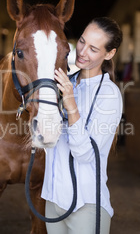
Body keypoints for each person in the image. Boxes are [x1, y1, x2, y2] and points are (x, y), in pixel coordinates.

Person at [41, 17, 123, 234]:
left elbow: (85, 154)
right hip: (52, 201)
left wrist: (71, 106)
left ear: (109, 54)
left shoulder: (109, 94)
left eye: (93, 48)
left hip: (86, 205)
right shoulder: (65, 82)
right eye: (82, 42)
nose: (83, 51)